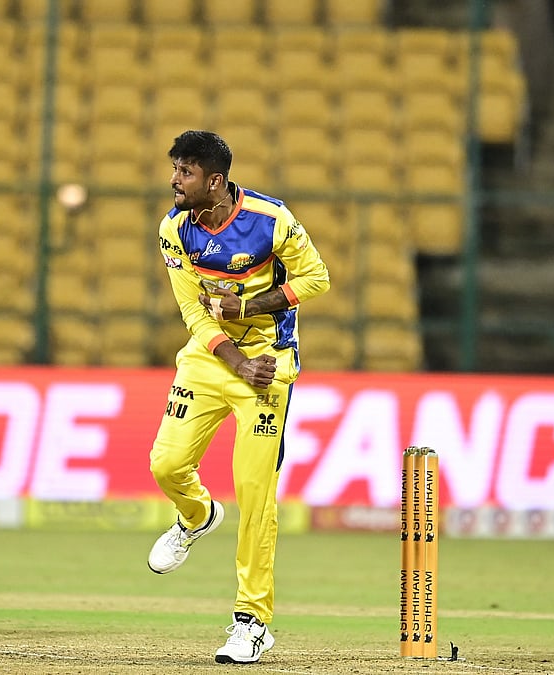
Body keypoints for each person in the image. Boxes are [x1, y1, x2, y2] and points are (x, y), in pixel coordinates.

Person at [147, 130, 330, 664]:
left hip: (269, 365)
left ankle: (251, 622)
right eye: (175, 169)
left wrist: (251, 313)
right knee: (166, 464)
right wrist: (235, 360)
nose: (175, 180)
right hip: (213, 360)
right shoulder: (173, 228)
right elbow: (193, 312)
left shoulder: (272, 220)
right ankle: (197, 515)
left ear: (215, 180)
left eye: (185, 172)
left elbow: (315, 279)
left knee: (255, 494)